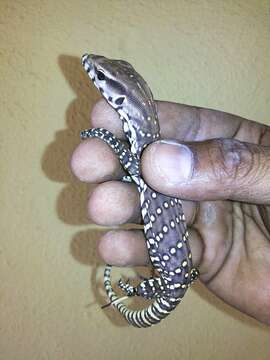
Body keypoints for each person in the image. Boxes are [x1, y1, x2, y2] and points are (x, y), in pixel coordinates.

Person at [71, 99, 270, 326]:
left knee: (118, 198)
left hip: (180, 273)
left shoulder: (174, 282)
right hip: (176, 272)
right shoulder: (170, 283)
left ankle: (136, 291)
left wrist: (107, 138)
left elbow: (126, 159)